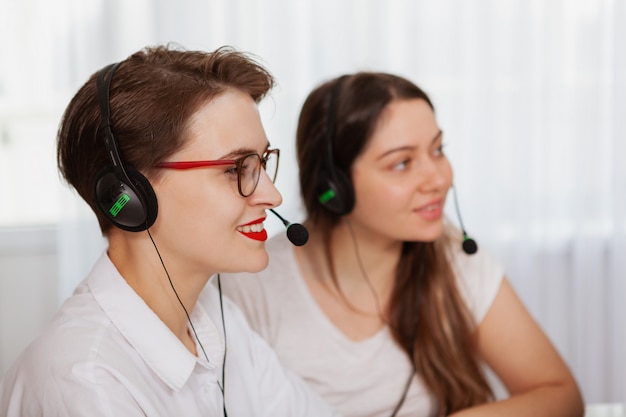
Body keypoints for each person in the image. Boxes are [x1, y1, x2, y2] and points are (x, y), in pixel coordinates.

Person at [0, 45, 341, 417]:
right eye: (234, 169)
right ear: (130, 195)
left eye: (261, 163)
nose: (272, 195)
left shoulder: (216, 317)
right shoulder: (84, 381)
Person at [220, 72, 585, 417]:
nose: (439, 179)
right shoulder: (253, 284)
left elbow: (560, 394)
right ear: (335, 187)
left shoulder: (454, 254)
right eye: (402, 163)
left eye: (438, 150)